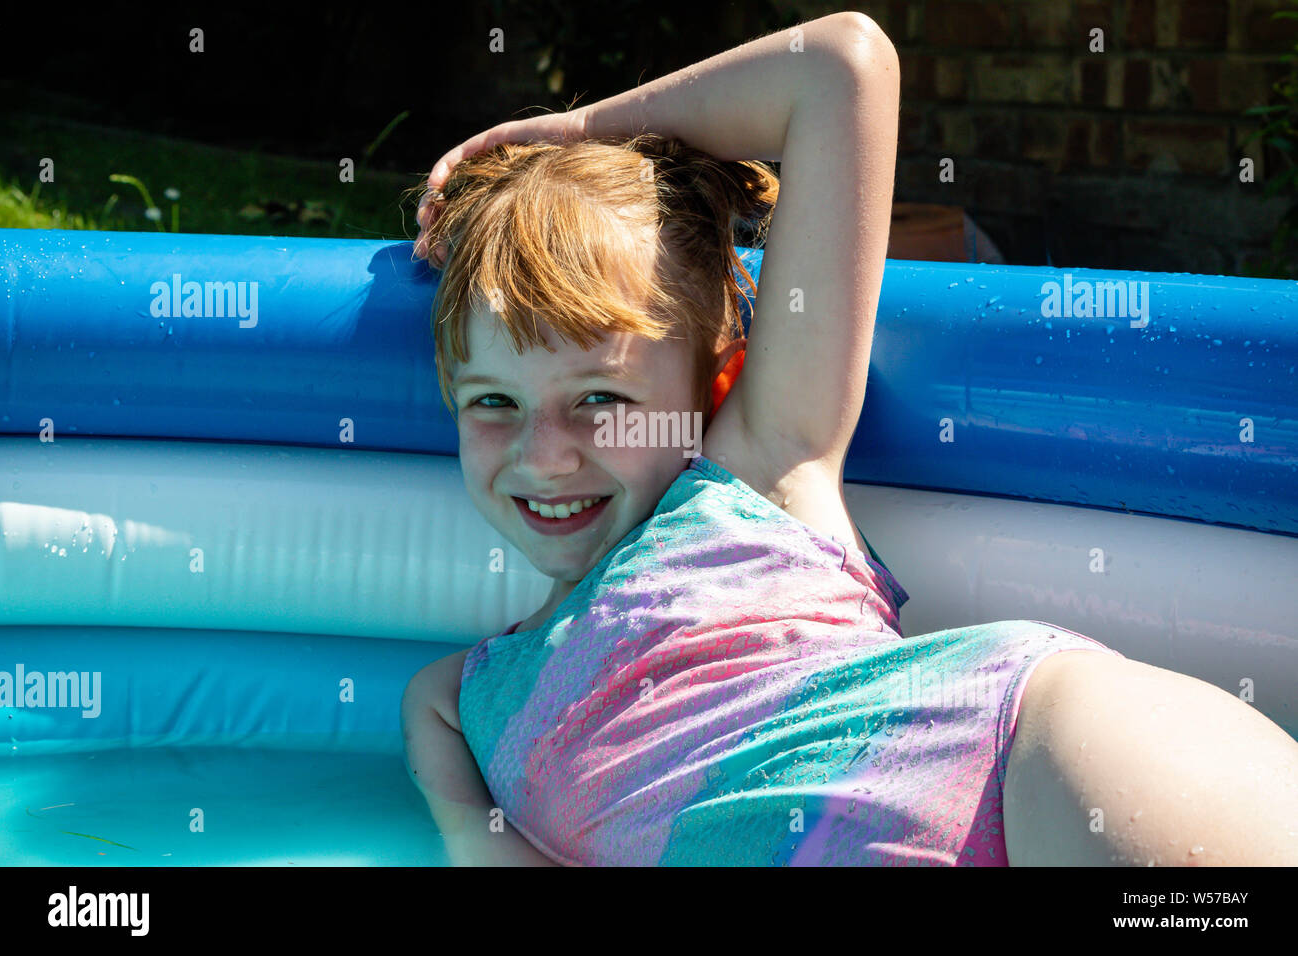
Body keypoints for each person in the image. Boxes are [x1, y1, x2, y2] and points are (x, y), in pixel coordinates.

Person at [400, 11, 1298, 866]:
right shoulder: (453, 701)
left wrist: (586, 127)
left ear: (713, 382)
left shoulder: (756, 473)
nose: (545, 453)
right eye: (492, 403)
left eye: (600, 398)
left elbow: (839, 69)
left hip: (1038, 769)